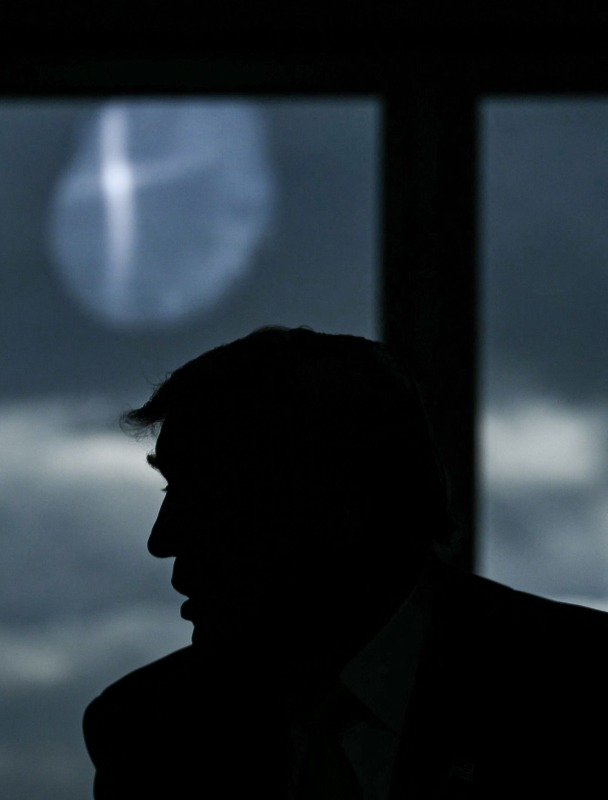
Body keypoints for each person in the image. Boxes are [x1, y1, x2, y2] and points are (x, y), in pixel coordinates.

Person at [83, 326, 607, 799]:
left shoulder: (578, 691)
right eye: (171, 489)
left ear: (339, 503)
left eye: (208, 495)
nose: (161, 538)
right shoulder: (148, 731)